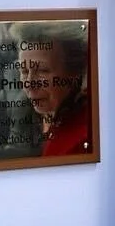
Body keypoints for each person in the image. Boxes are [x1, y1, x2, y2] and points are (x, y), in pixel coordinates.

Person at [9, 21, 92, 156]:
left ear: (75, 74)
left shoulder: (80, 142)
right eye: (24, 71)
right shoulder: (24, 113)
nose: (29, 84)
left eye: (42, 70)